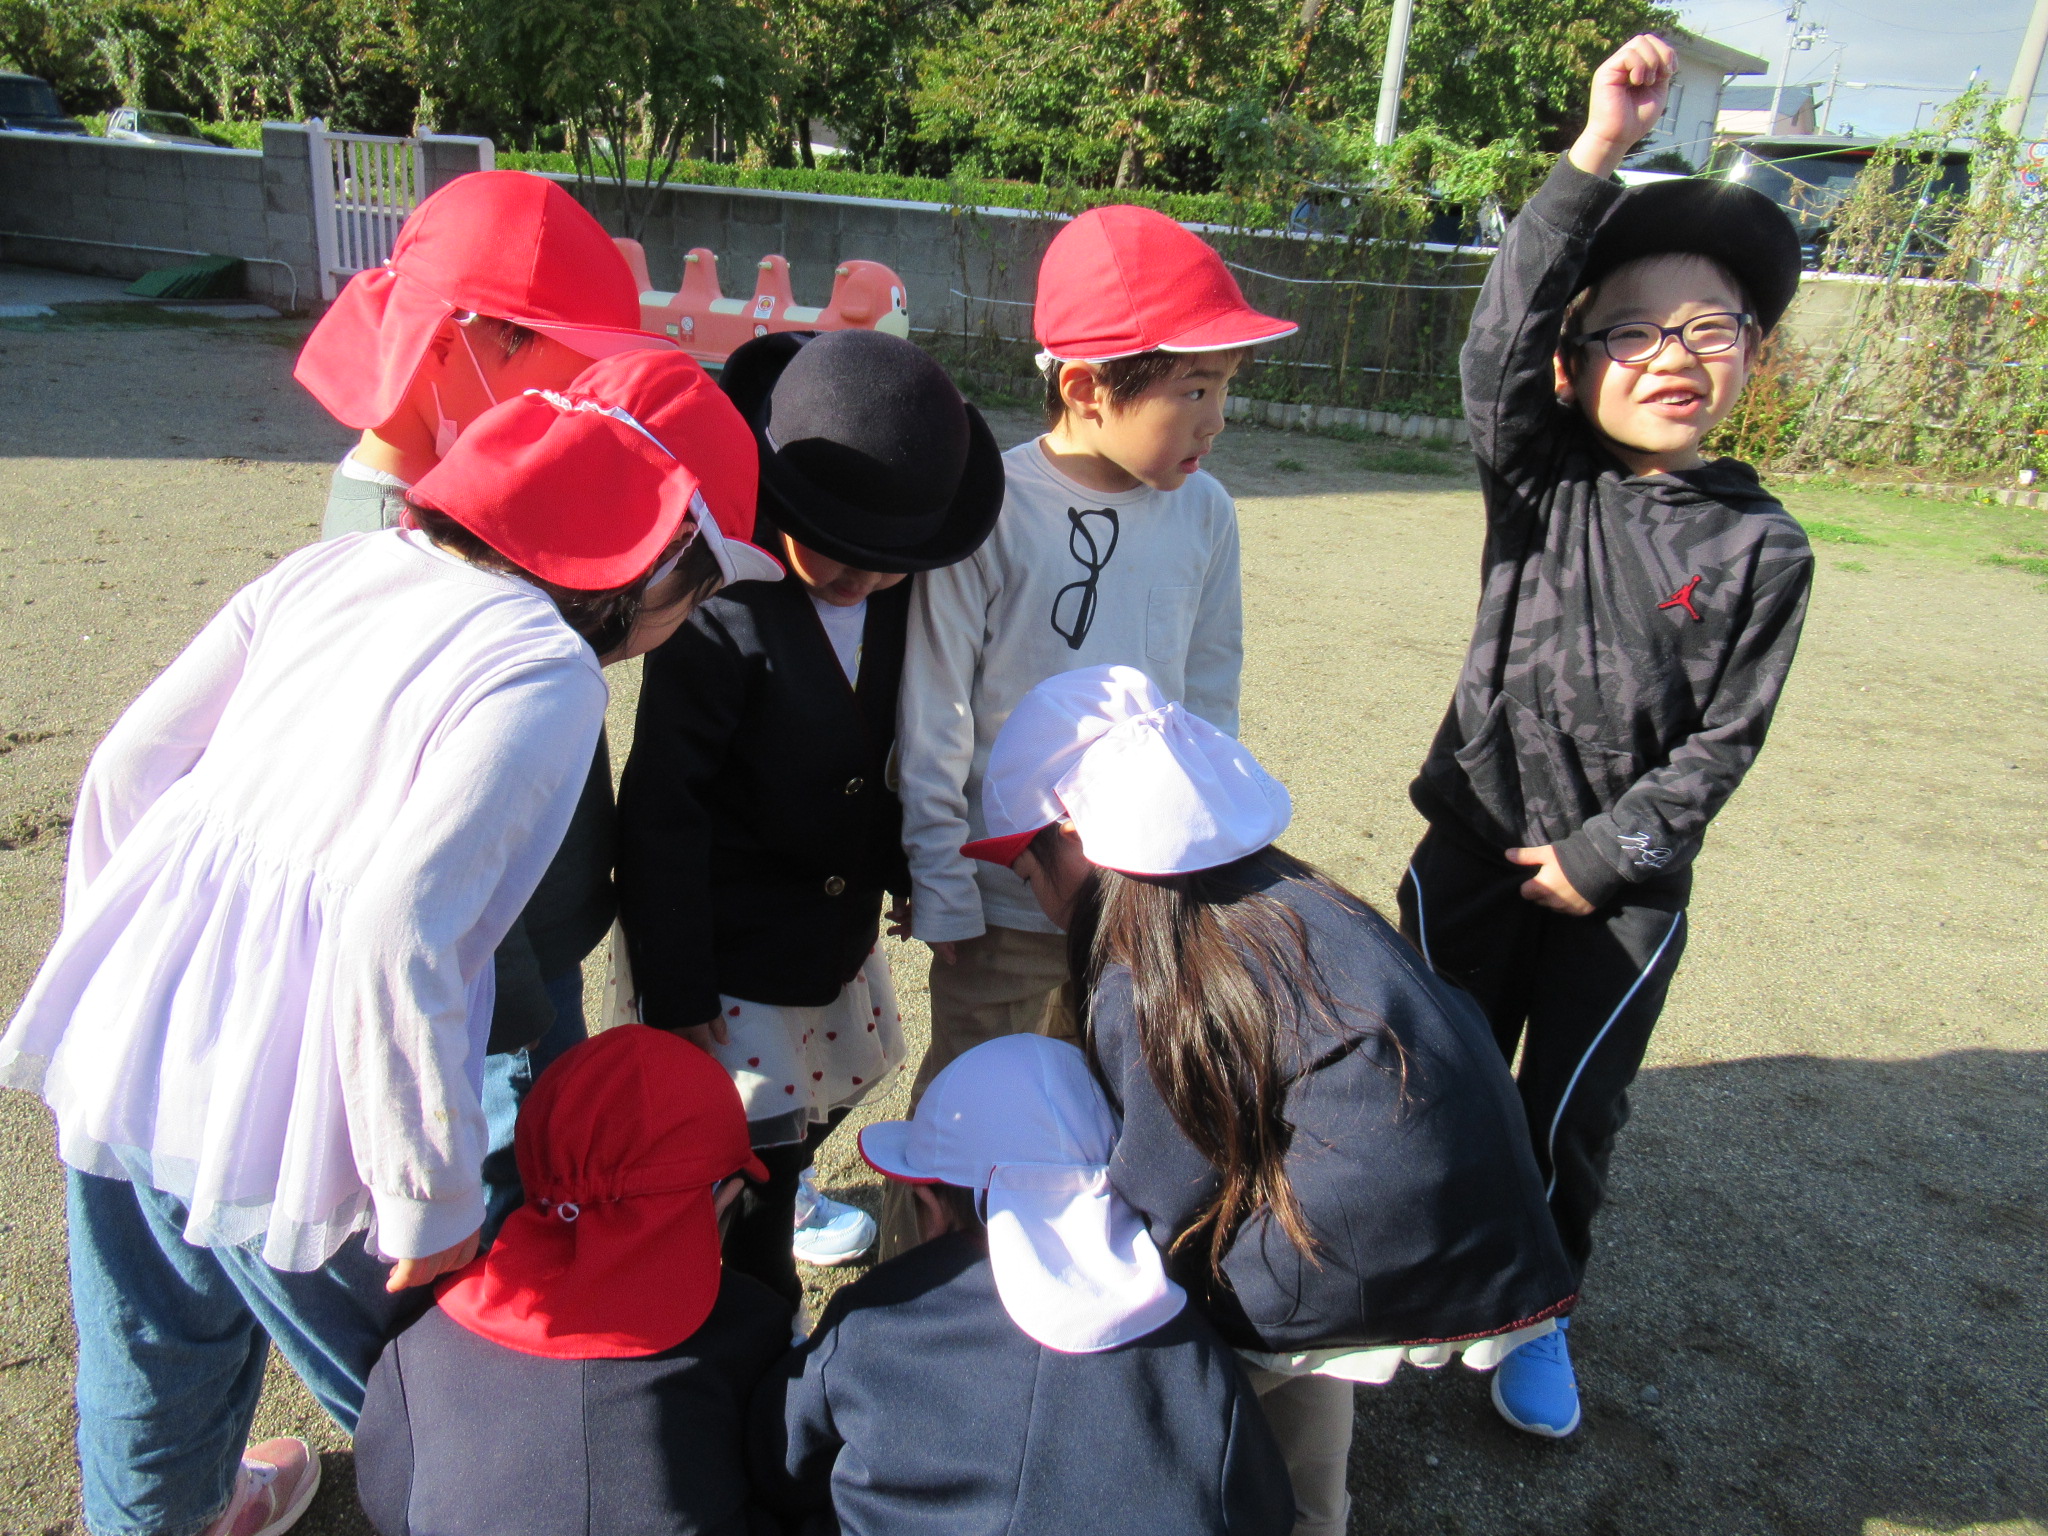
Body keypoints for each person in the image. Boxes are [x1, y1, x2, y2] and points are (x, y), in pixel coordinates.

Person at [0, 350, 768, 1536]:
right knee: (430, 1394)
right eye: (696, 596)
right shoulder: (549, 671)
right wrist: (427, 1201)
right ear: (656, 562)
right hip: (298, 1099)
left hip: (128, 1033)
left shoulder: (336, 565)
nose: (684, 626)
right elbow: (394, 923)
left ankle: (169, 1511)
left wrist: (126, 972)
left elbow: (127, 771)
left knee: (147, 1340)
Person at [1396, 35, 1813, 1439]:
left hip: (1620, 897)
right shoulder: (1538, 479)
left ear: (1751, 356)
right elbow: (1497, 335)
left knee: (1567, 1112)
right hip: (1470, 850)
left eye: (1710, 328)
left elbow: (1723, 742)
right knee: (1432, 1079)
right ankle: (1425, 1276)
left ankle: (1537, 1310)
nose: (1673, 353)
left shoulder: (1764, 547)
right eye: (1631, 330)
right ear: (1571, 370)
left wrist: (1601, 856)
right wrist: (1594, 156)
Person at [961, 665, 1578, 1536]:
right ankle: (1316, 1514)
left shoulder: (1148, 978)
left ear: (1076, 836)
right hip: (1470, 1223)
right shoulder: (1286, 896)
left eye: (1027, 872)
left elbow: (1169, 1184)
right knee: (1313, 1333)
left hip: (1367, 1245)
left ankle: (1200, 1499)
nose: (1034, 898)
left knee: (1192, 1347)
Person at [292, 170, 709, 1234]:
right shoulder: (412, 553)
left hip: (522, 941)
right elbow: (429, 846)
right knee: (514, 1217)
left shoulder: (457, 505)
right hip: (491, 984)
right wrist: (517, 1023)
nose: (573, 416)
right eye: (564, 379)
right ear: (454, 345)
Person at [889, 203, 1295, 1253]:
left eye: (1225, 388)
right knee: (972, 1109)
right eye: (1193, 390)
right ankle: (921, 1292)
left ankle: (1070, 1308)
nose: (1216, 420)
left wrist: (1204, 865)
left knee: (1109, 1110)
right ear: (1084, 387)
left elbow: (1208, 693)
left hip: (1138, 904)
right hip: (1002, 906)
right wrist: (941, 879)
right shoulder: (993, 507)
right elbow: (933, 709)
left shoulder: (1205, 514)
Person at [616, 328, 1003, 1301]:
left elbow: (890, 756)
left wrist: (907, 872)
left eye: (892, 560)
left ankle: (783, 1198)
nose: (863, 578)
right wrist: (676, 985)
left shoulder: (902, 607)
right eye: (842, 548)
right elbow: (663, 808)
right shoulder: (718, 613)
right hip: (730, 950)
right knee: (751, 1153)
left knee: (833, 1088)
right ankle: (754, 1316)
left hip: (830, 933)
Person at [749, 1032, 1297, 1536]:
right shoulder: (1199, 1359)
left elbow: (777, 1464)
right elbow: (1265, 1512)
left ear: (931, 1207)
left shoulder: (870, 1322)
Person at [353, 1024, 792, 1536]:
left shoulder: (414, 1349)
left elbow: (387, 1501)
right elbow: (793, 1486)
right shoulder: (757, 1332)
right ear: (723, 1198)